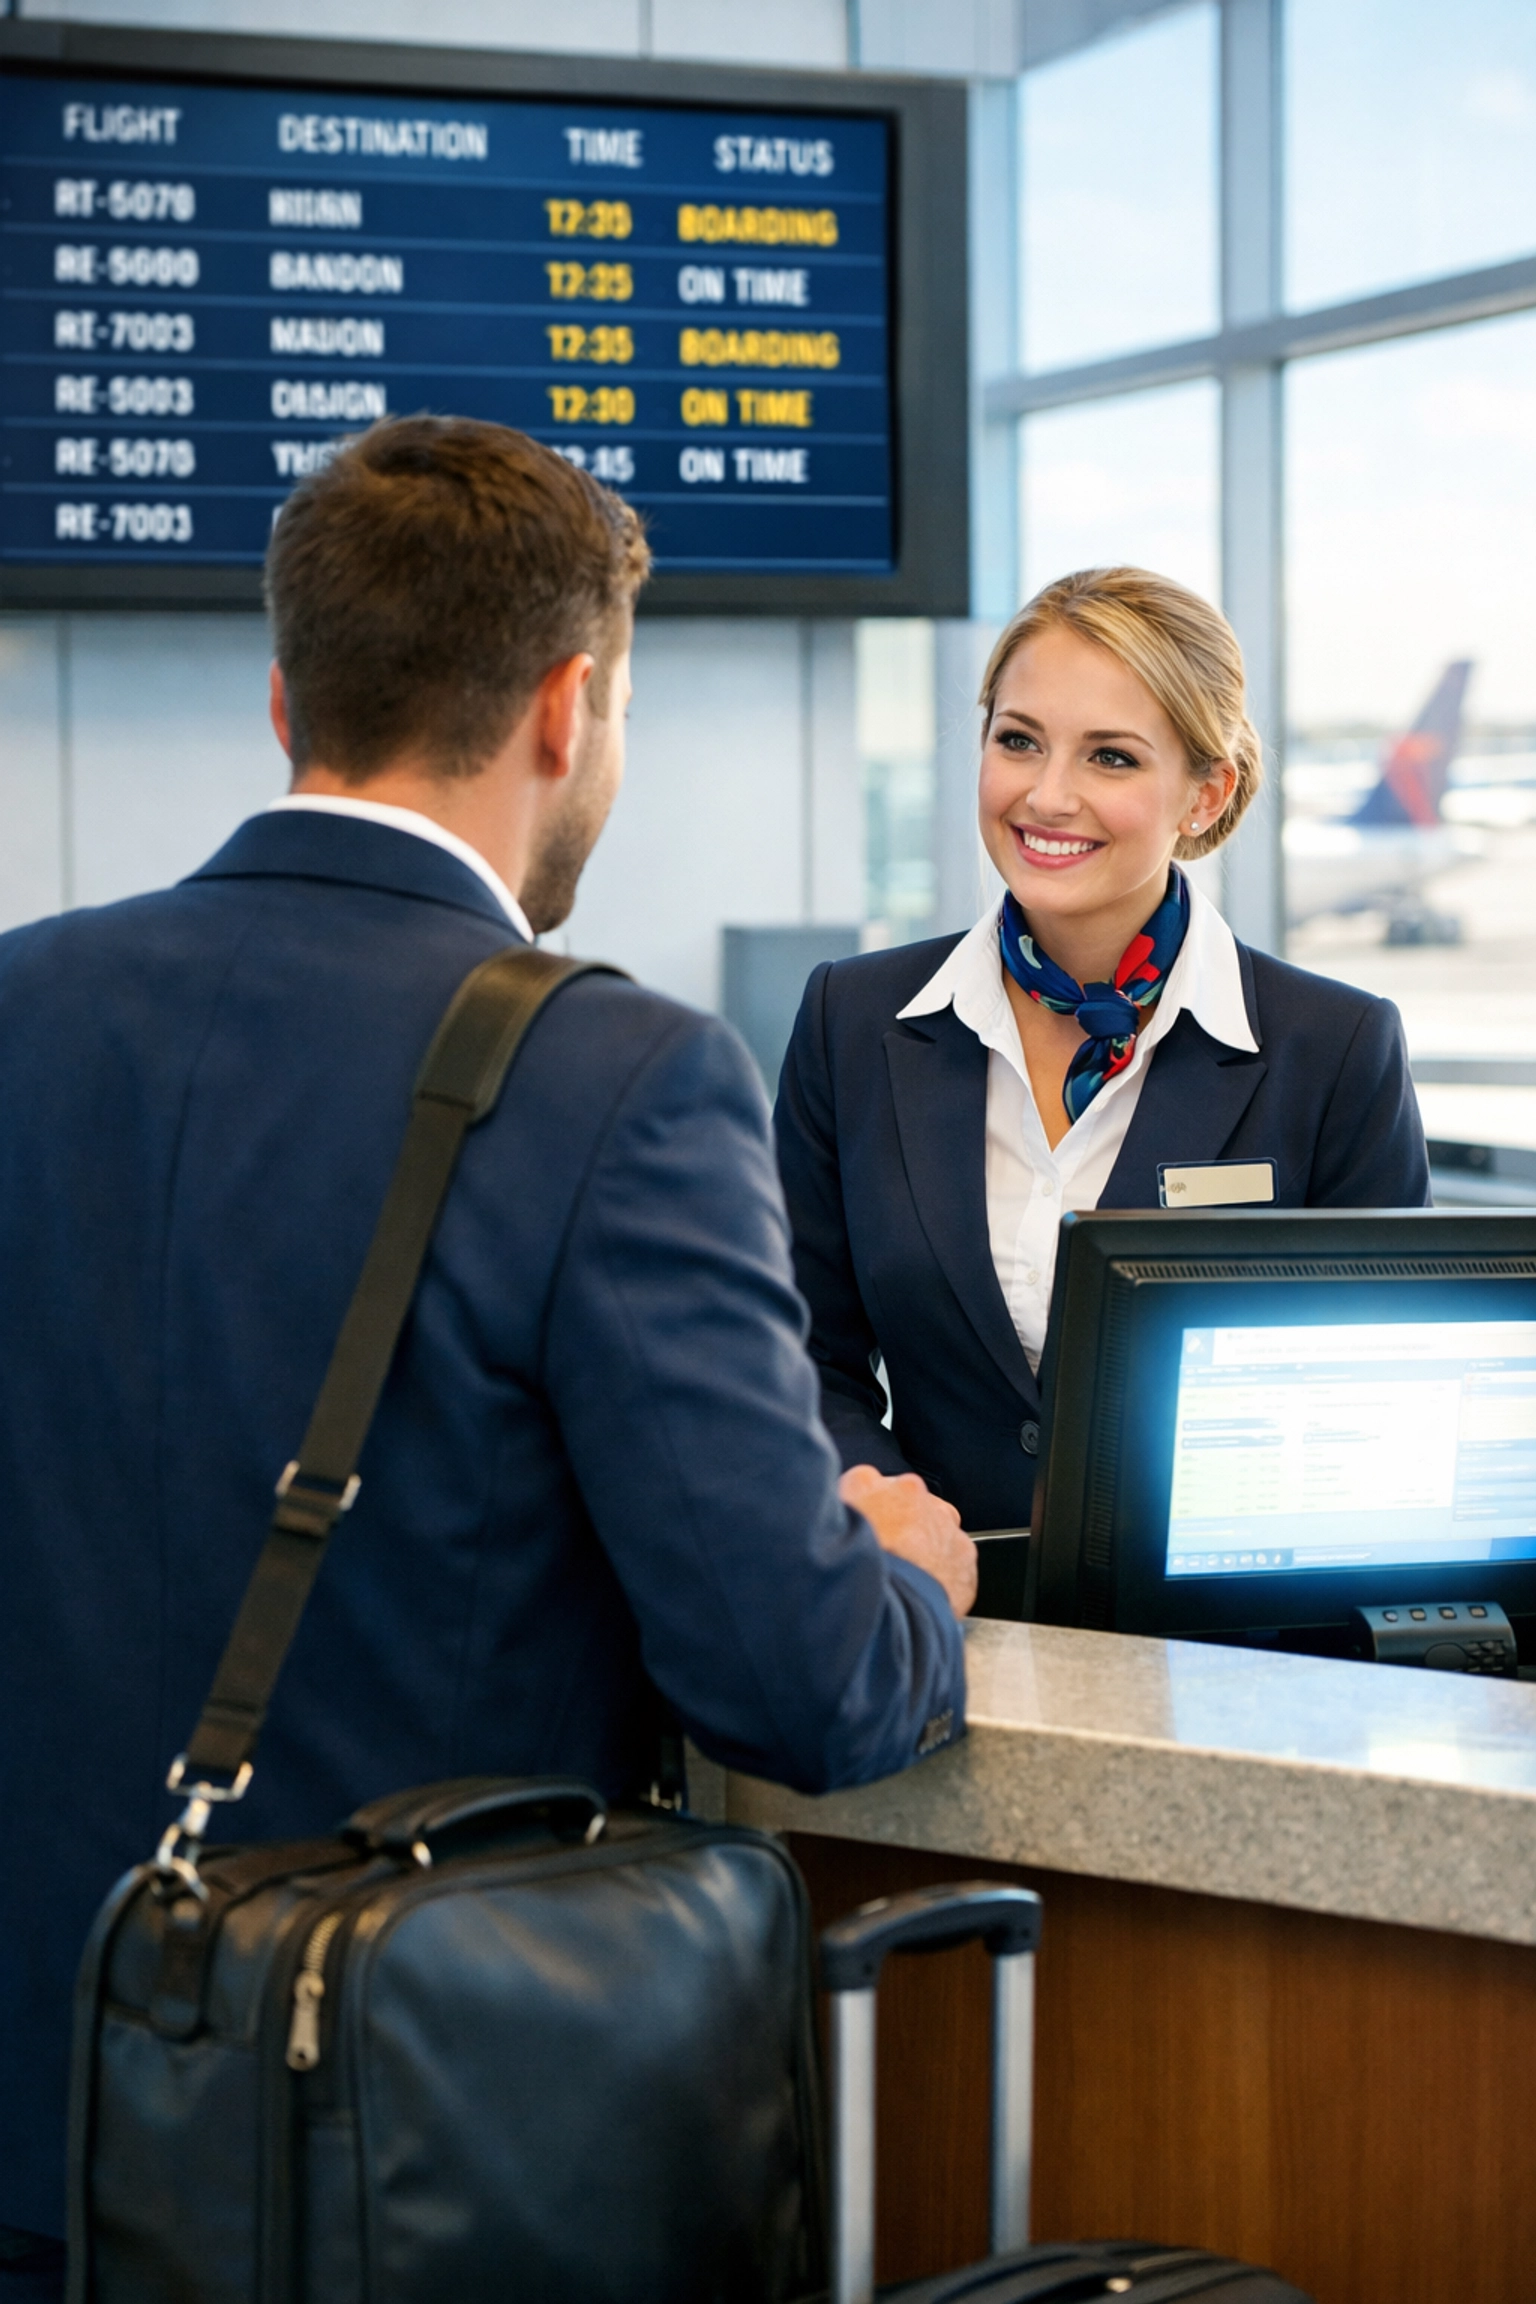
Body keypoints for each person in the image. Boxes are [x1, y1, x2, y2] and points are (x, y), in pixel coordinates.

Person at [0, 417, 975, 2287]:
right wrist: (910, 1589)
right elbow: (795, 1680)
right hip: (397, 2146)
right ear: (566, 705)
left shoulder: (22, 999)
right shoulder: (615, 1071)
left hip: (45, 2115)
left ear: (286, 696)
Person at [775, 565, 1431, 1538]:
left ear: (1205, 795)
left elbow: (1375, 1396)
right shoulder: (854, 1020)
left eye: (1111, 758)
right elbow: (800, 1353)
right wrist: (899, 1524)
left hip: (1225, 1616)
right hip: (930, 1602)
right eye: (1018, 741)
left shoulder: (1333, 1050)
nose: (1047, 796)